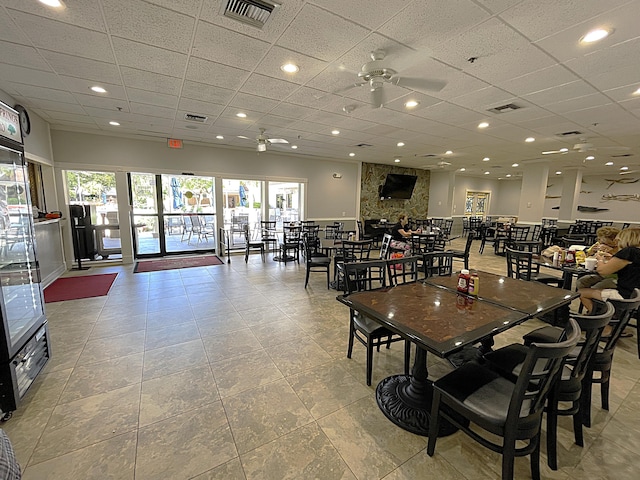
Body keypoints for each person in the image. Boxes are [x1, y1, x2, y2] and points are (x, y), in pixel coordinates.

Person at [579, 227, 640, 313]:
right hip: (636, 294)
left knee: (582, 293)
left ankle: (601, 320)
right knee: (585, 283)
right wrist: (612, 258)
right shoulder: (636, 253)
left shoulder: (629, 252)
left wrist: (600, 259)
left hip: (626, 295)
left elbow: (602, 271)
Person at [576, 226, 620, 290]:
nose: (599, 240)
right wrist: (591, 252)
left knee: (595, 288)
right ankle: (585, 298)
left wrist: (611, 252)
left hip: (615, 277)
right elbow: (586, 256)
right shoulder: (598, 244)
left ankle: (590, 296)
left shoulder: (620, 247)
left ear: (613, 239)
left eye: (602, 238)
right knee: (581, 282)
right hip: (600, 273)